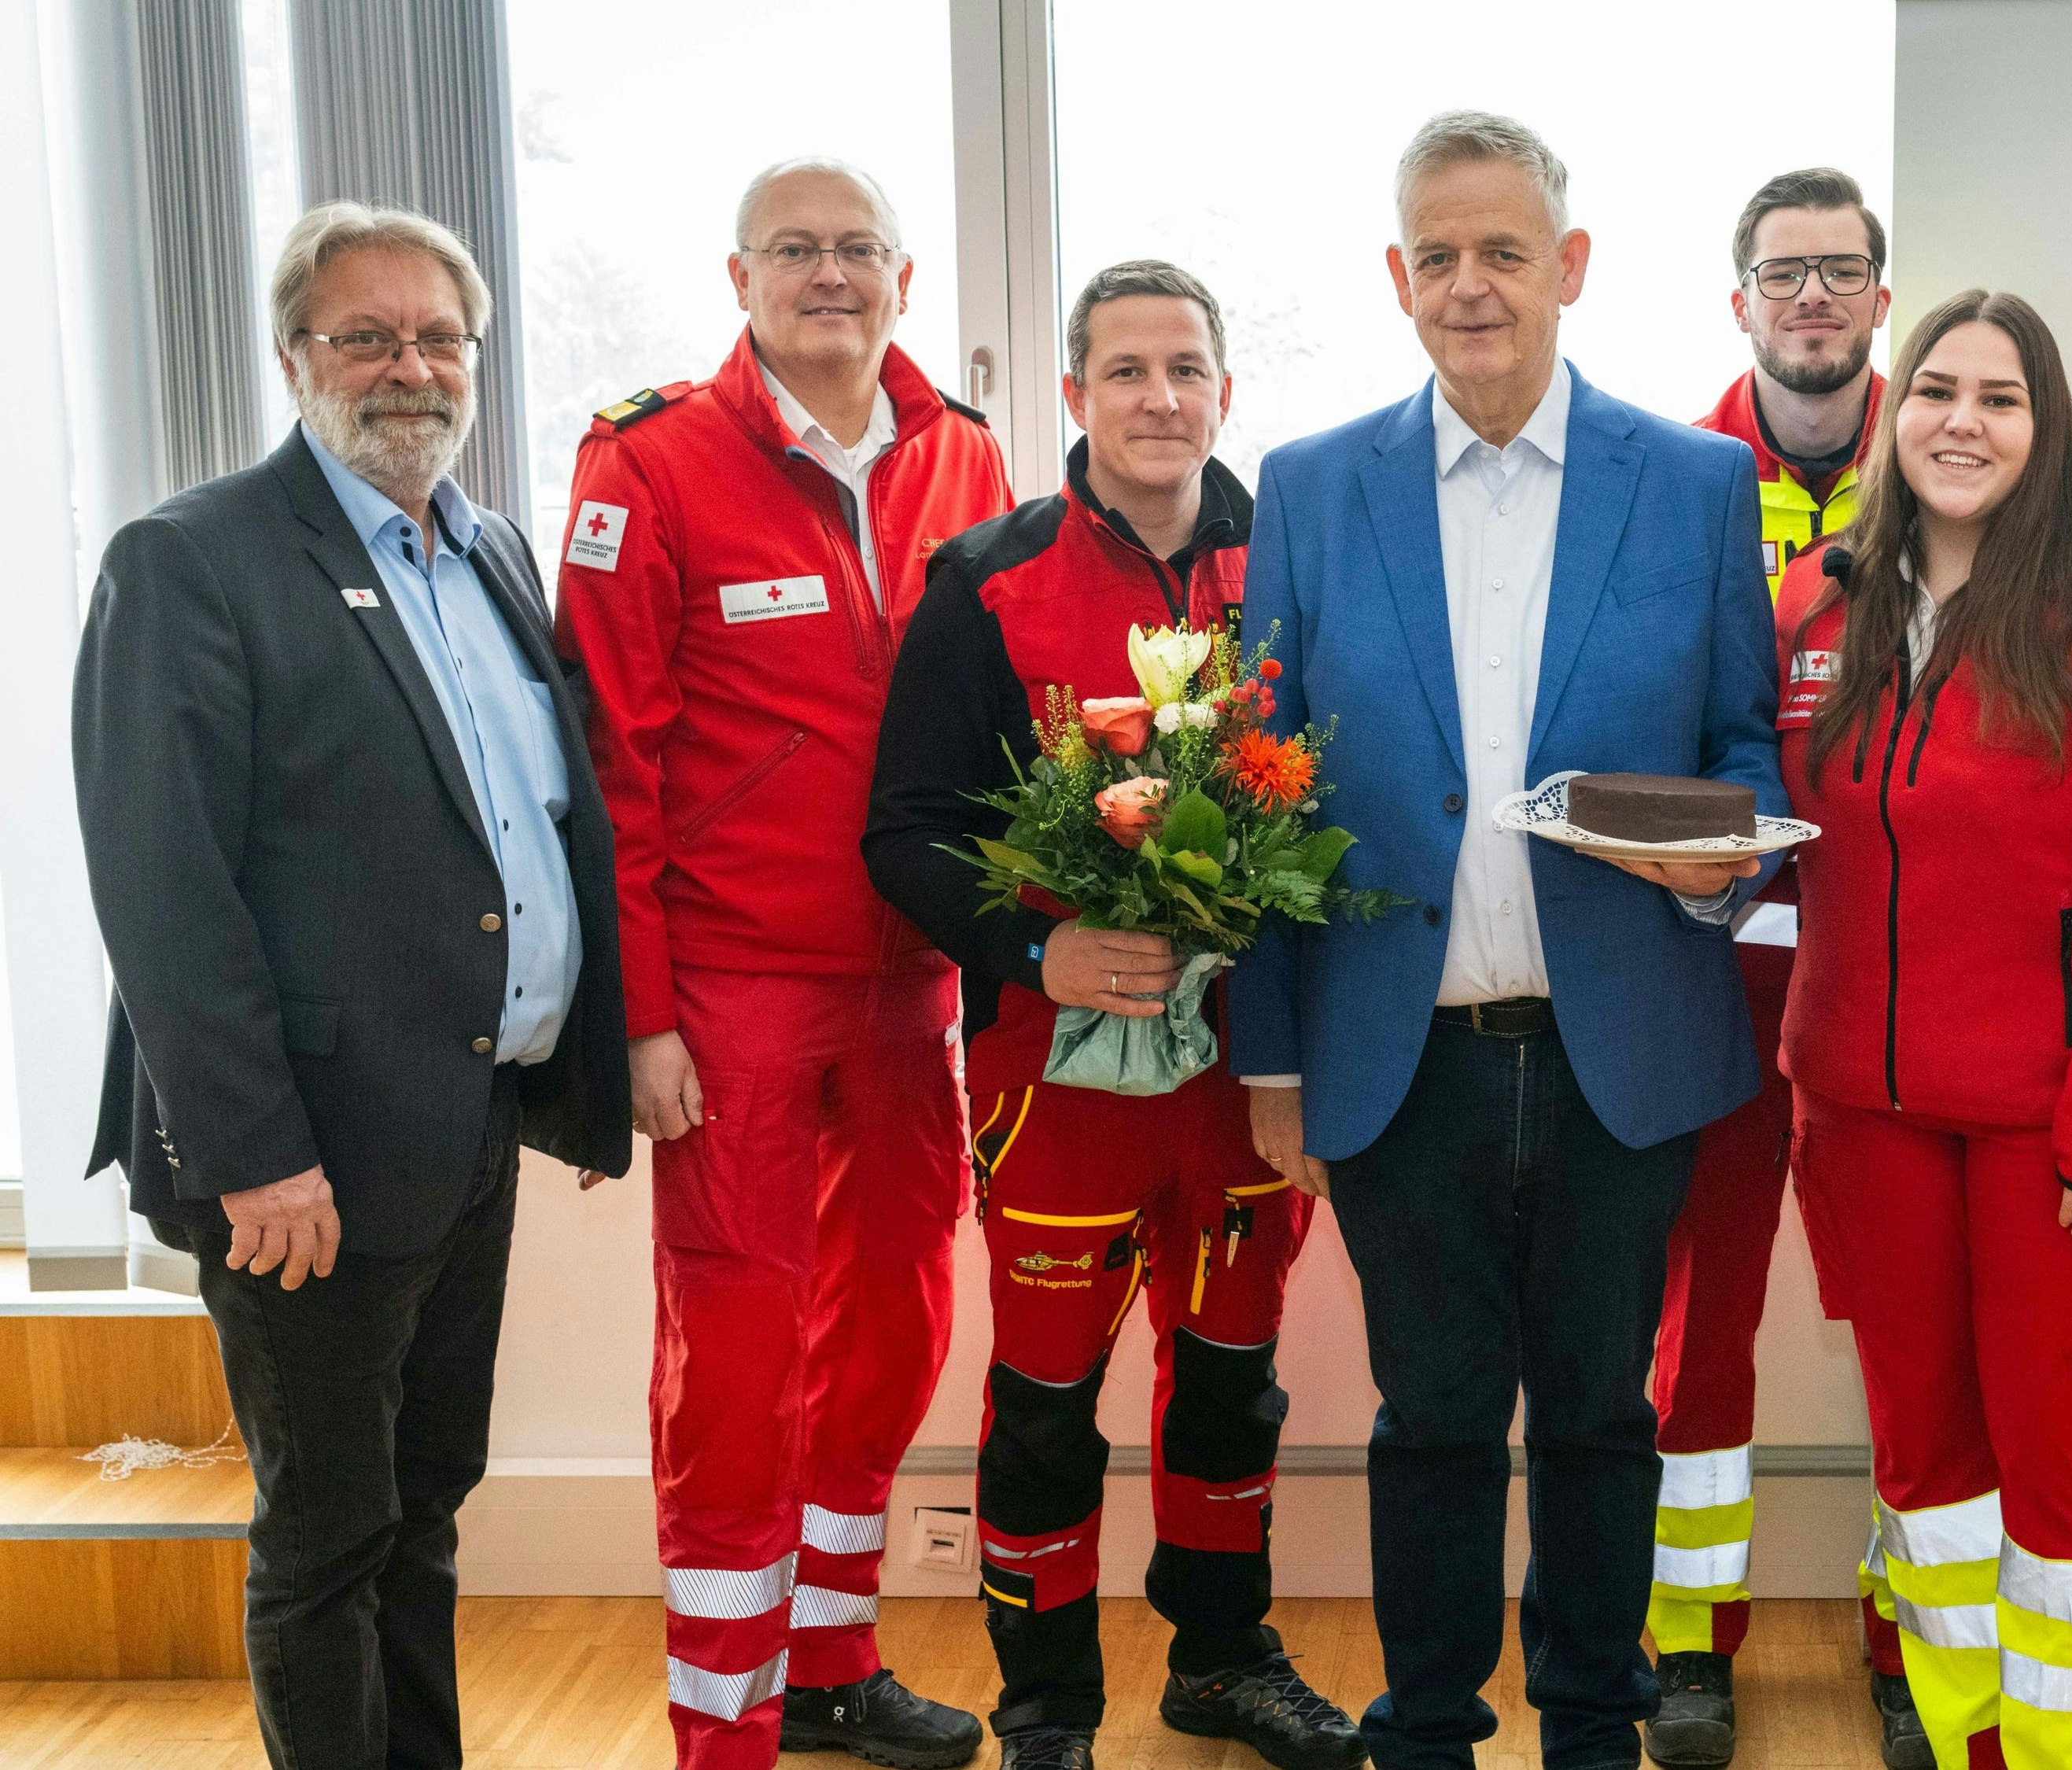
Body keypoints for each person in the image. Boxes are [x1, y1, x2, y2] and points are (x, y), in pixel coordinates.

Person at [1233, 110, 1785, 1770]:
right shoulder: (1313, 486)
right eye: (1437, 257)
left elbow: (1744, 748)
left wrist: (1716, 870)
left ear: (1571, 269)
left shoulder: (1694, 483)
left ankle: (1592, 1728)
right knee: (1435, 1422)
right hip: (1398, 1060)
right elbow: (1258, 790)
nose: (1470, 287)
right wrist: (1269, 1055)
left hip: (1622, 1043)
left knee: (1608, 1420)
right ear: (1398, 278)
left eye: (1503, 253)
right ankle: (1423, 1728)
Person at [71, 200, 632, 1770]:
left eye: (439, 337)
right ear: (292, 356)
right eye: (366, 336)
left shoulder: (491, 548)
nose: (411, 368)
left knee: (425, 1506)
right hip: (301, 1159)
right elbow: (161, 888)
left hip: (464, 1129)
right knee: (325, 1540)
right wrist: (252, 1151)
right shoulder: (190, 561)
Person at [862, 260, 1366, 1770]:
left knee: (1231, 1383)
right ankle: (1047, 1707)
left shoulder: (1298, 564)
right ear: (1072, 394)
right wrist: (1039, 943)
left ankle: (1220, 1661)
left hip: (1246, 1077)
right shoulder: (984, 578)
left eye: (1188, 368)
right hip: (1053, 1083)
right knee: (1043, 1405)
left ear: (1225, 389)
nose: (1161, 398)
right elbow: (904, 831)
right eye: (1127, 370)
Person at [552, 158, 1013, 1770]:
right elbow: (610, 761)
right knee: (737, 1360)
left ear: (904, 277)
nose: (830, 275)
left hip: (911, 992)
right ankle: (719, 1728)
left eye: (856, 251)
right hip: (731, 998)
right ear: (739, 277)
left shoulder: (965, 456)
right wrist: (645, 1018)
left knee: (890, 1330)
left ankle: (828, 1663)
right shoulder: (649, 462)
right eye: (795, 251)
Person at [1778, 288, 2072, 1770]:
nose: (1960, 422)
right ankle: (1967, 1737)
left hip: (2067, 1140)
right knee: (1929, 1470)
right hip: (1865, 1113)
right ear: (1892, 413)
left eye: (2000, 397)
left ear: (2047, 427)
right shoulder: (1822, 601)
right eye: (1935, 392)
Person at [1652, 164, 1914, 1770]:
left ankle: (1918, 1646)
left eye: (1837, 271)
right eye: (1780, 273)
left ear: (1880, 295)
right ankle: (1687, 1647)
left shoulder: (1962, 453)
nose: (1808, 297)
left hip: (1903, 990)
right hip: (1712, 980)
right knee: (1702, 1319)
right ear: (1737, 299)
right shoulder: (1667, 484)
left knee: (1910, 1327)